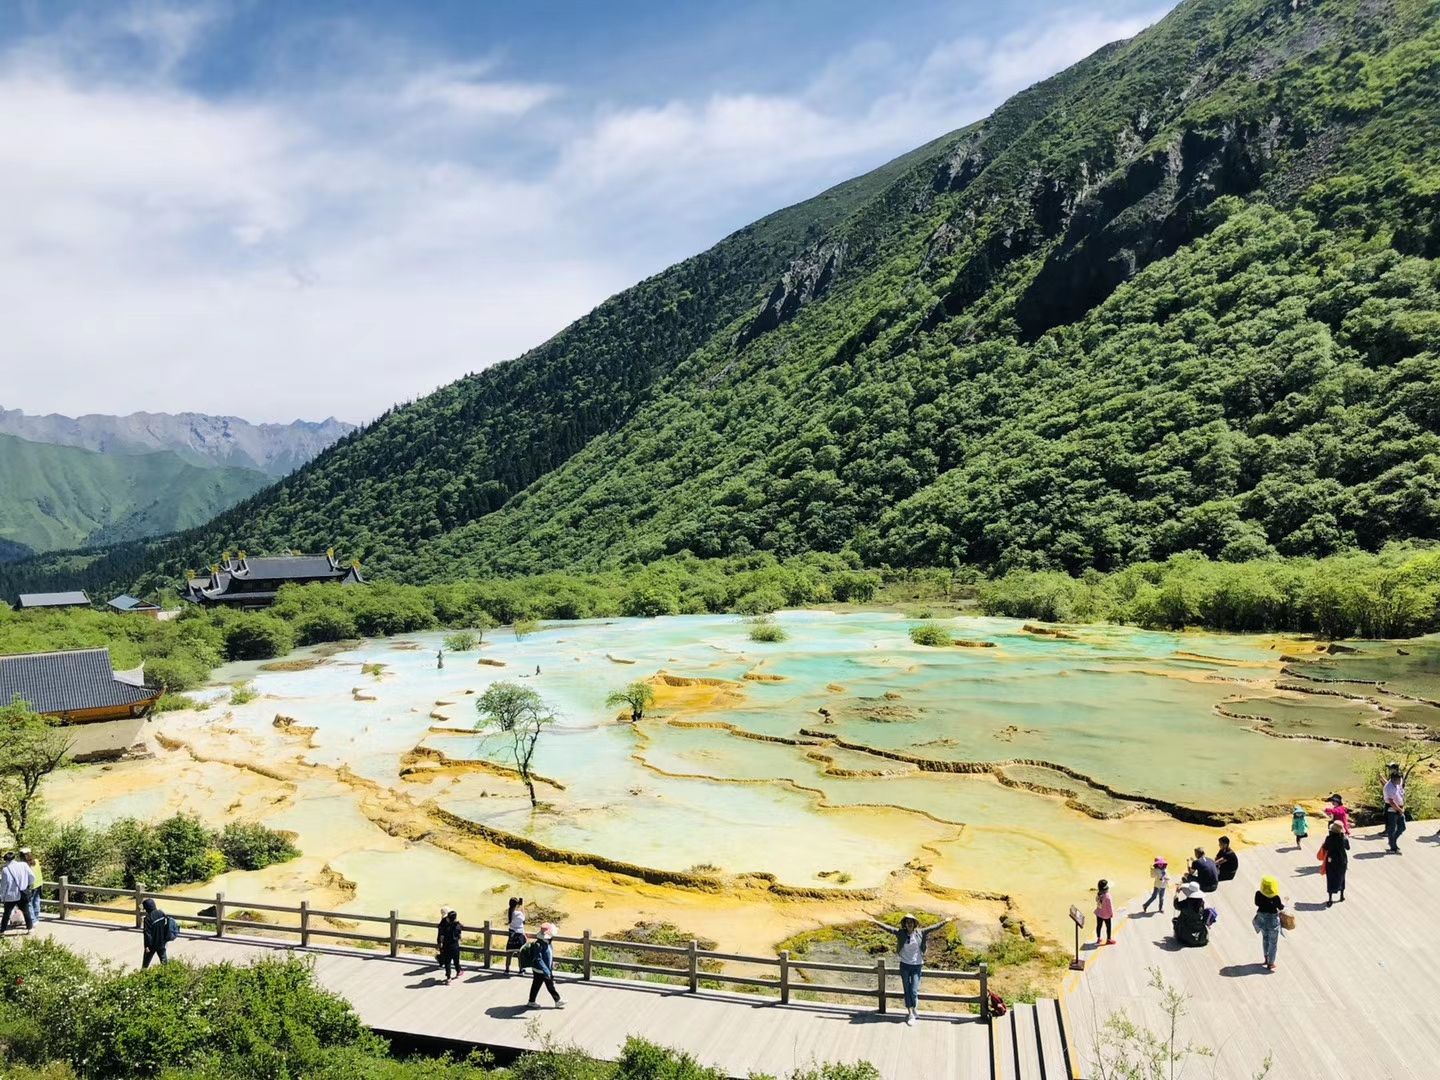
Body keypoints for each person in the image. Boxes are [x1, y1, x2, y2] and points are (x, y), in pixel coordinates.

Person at [864, 911, 952, 1026]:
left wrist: (945, 921)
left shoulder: (921, 932)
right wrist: (875, 922)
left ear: (914, 923)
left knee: (914, 990)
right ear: (904, 924)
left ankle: (914, 1008)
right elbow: (888, 928)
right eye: (907, 922)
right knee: (907, 989)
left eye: (911, 922)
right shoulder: (900, 933)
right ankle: (910, 1013)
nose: (909, 924)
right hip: (905, 965)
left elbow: (933, 928)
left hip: (917, 965)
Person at [525, 922, 564, 1009]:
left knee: (537, 985)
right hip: (540, 970)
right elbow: (538, 959)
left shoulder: (548, 943)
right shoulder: (538, 945)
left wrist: (551, 965)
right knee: (548, 985)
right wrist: (546, 971)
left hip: (545, 969)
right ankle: (557, 1001)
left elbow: (549, 956)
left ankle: (531, 1001)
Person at [1254, 876, 1285, 971]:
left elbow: (1256, 903)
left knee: (1265, 938)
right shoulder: (1275, 897)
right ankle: (1271, 963)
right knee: (1273, 943)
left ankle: (1266, 958)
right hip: (1272, 921)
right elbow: (1280, 907)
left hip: (1261, 919)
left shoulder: (1258, 894)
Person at [0, 852, 34, 935]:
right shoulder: (23, 865)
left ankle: (2, 931)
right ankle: (30, 928)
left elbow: (4, 885)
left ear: (6, 860)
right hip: (22, 892)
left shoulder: (5, 870)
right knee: (26, 911)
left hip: (10, 895)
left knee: (7, 913)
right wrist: (27, 885)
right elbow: (32, 877)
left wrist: (2, 896)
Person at [1319, 820, 1350, 906]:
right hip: (1342, 861)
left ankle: (1330, 899)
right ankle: (1341, 896)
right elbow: (1348, 848)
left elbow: (1325, 847)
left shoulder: (1329, 838)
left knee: (1331, 879)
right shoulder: (1344, 838)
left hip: (1331, 861)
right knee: (1342, 877)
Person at [1171, 882, 1208, 948]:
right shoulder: (1201, 902)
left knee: (1175, 921)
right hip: (1197, 925)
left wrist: (1176, 893)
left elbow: (1176, 905)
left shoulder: (1186, 903)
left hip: (1186, 927)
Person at [141, 898, 173, 968]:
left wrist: (147, 946)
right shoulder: (161, 913)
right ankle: (167, 975)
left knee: (145, 965)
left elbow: (147, 934)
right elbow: (166, 925)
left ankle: (142, 976)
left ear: (147, 908)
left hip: (152, 945)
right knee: (164, 963)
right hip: (161, 942)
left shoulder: (147, 918)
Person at [1383, 763, 1406, 854]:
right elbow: (1391, 802)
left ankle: (1392, 841)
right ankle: (1393, 847)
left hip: (1400, 808)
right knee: (1392, 829)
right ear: (1393, 779)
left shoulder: (1397, 783)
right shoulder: (1389, 787)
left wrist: (1403, 806)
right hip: (1392, 810)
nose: (1400, 781)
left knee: (1402, 827)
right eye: (1399, 779)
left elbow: (1401, 794)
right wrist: (1399, 810)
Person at [437, 907, 464, 983]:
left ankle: (448, 978)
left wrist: (440, 944)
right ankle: (458, 972)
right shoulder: (457, 926)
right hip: (455, 946)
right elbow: (459, 936)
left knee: (447, 962)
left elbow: (441, 936)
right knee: (456, 961)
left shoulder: (445, 927)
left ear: (448, 918)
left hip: (446, 946)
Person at [504, 897, 527, 974]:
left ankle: (507, 970)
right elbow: (524, 921)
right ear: (517, 904)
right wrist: (522, 907)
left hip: (511, 934)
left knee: (509, 953)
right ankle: (521, 970)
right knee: (520, 954)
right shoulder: (519, 913)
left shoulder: (510, 912)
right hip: (519, 934)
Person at [1094, 880, 1115, 945]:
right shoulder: (1107, 896)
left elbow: (1097, 901)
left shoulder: (1099, 894)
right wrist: (1111, 913)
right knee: (1108, 927)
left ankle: (1098, 938)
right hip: (1106, 915)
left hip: (1099, 913)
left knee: (1098, 926)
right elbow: (1110, 906)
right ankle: (1108, 939)